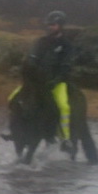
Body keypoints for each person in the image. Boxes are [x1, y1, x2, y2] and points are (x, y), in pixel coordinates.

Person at [27, 9, 74, 151]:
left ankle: (65, 139)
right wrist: (31, 67)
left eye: (53, 24)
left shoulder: (66, 45)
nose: (50, 27)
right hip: (38, 80)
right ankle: (15, 130)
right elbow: (33, 58)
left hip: (57, 82)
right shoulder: (41, 42)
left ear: (60, 25)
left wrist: (56, 80)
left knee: (63, 106)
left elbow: (66, 67)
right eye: (49, 24)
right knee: (14, 98)